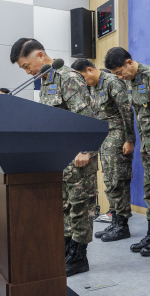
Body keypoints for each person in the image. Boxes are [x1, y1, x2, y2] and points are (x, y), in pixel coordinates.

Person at [10, 38, 98, 276]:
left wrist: (84, 150)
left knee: (80, 207)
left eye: (27, 66)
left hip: (78, 156)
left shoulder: (68, 77)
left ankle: (79, 258)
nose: (28, 72)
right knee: (65, 208)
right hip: (61, 158)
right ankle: (67, 250)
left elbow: (85, 117)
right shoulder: (47, 80)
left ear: (40, 55)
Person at [104, 47, 150, 256]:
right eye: (116, 75)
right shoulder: (131, 81)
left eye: (120, 72)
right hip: (148, 145)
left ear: (129, 62)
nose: (120, 77)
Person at [71, 59, 135, 242]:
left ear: (90, 70)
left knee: (118, 180)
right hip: (105, 137)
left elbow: (126, 111)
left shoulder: (112, 82)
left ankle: (122, 225)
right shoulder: (95, 86)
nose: (84, 83)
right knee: (109, 180)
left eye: (83, 78)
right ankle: (115, 221)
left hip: (117, 136)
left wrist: (129, 139)